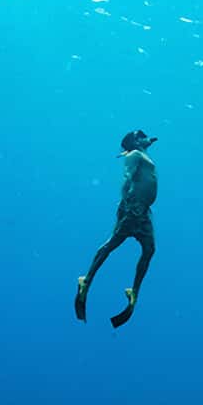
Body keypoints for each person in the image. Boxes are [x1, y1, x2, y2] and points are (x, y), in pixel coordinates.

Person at [75, 130, 158, 327]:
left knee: (149, 249)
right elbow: (127, 175)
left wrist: (147, 142)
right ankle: (86, 280)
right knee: (113, 243)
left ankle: (134, 290)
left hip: (144, 213)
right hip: (134, 208)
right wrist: (127, 202)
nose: (147, 137)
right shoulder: (135, 155)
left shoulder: (142, 153)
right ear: (135, 141)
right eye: (142, 135)